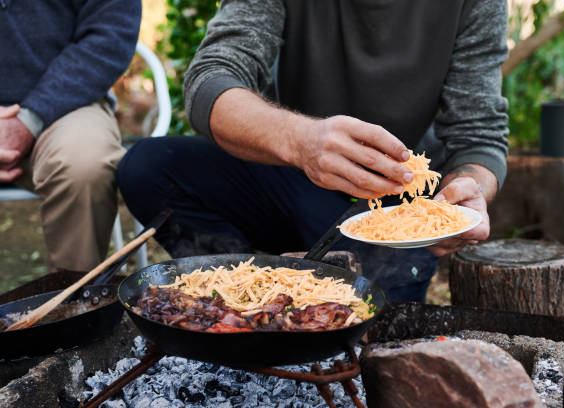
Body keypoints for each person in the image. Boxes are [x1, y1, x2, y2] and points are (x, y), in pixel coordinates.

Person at [118, 0, 509, 302]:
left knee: (377, 318)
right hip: (290, 180)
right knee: (150, 168)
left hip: (396, 217)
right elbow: (211, 81)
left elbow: (478, 138)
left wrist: (468, 189)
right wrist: (301, 141)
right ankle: (244, 289)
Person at [0, 0, 141, 272]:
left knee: (85, 166)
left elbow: (109, 35)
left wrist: (28, 120)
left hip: (66, 104)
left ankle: (73, 306)